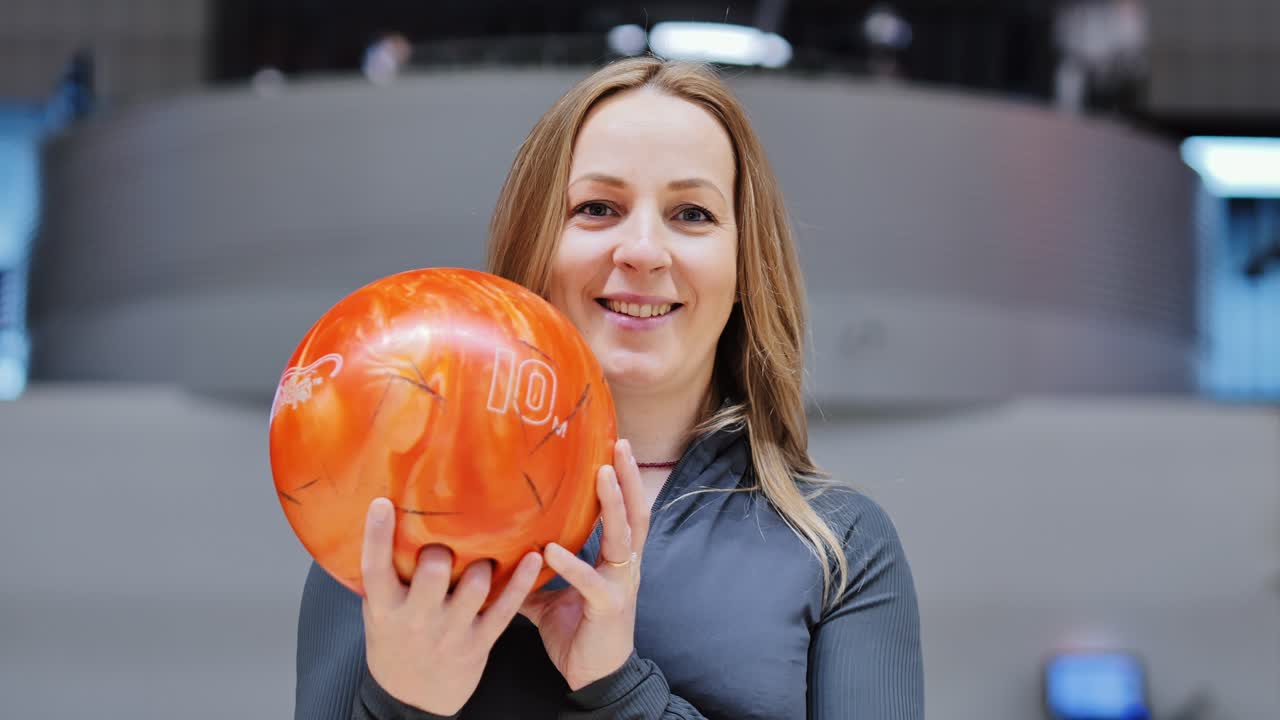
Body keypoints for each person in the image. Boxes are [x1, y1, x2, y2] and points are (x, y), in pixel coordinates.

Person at [295, 56, 923, 719]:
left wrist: (618, 687)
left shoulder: (842, 546)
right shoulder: (390, 507)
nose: (644, 250)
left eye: (692, 214)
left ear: (745, 264)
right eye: (597, 208)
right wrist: (407, 707)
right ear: (534, 243)